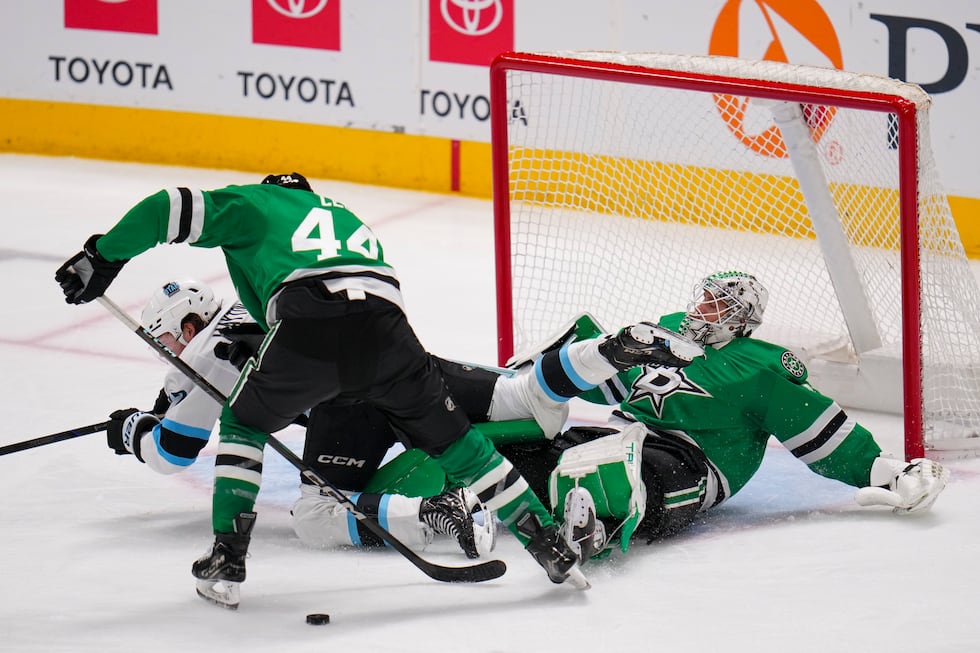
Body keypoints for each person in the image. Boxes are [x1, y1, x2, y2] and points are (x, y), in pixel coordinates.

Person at [54, 171, 702, 608]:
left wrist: (102, 257)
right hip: (394, 338)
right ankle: (548, 543)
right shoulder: (340, 216)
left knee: (266, 453)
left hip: (324, 357)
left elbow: (174, 445)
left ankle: (229, 554)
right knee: (493, 418)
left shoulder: (246, 232)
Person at [366, 271, 952, 560]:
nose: (703, 310)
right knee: (535, 451)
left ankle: (594, 524)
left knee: (647, 473)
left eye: (718, 304)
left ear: (742, 317)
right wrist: (548, 372)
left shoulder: (764, 366)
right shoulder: (670, 327)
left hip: (695, 461)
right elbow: (612, 380)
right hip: (618, 431)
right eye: (703, 298)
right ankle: (449, 505)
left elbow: (821, 433)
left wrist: (882, 470)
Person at [105, 279, 496, 559]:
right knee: (501, 403)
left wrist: (133, 431)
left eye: (164, 342)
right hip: (394, 362)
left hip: (350, 409)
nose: (164, 354)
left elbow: (172, 452)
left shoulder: (207, 353)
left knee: (317, 516)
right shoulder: (249, 302)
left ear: (188, 328)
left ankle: (436, 511)